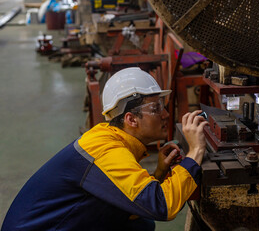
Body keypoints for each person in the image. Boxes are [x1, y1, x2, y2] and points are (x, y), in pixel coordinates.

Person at [1, 67, 209, 231]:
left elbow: (132, 203)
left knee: (140, 224)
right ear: (131, 119)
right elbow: (163, 206)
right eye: (156, 108)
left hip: (64, 223)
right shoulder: (107, 151)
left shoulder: (109, 139)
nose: (165, 114)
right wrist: (195, 151)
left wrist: (160, 173)